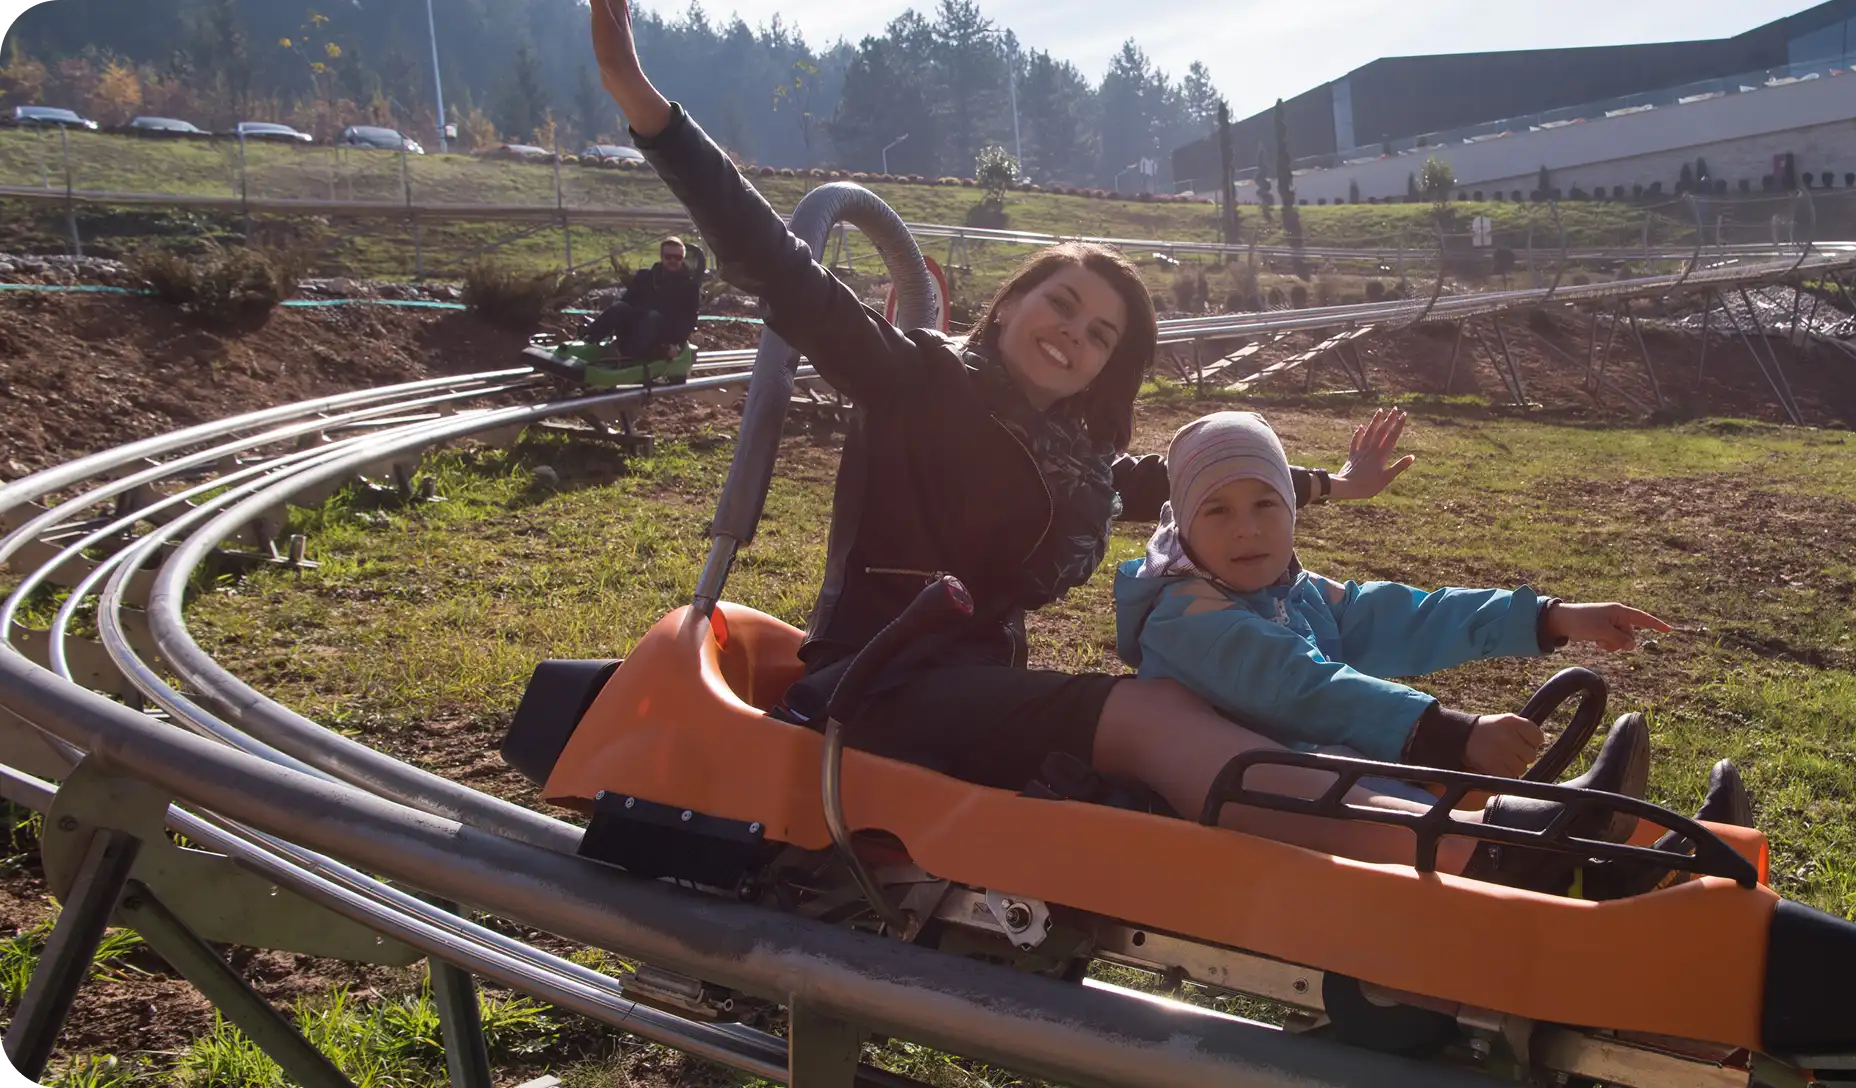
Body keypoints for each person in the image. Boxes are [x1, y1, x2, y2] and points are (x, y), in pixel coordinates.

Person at [589, 0, 1655, 895]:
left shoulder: (1067, 449)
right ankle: (1495, 857)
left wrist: (1331, 484)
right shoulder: (915, 380)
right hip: (882, 689)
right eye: (1062, 304)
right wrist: (650, 112)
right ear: (1008, 306)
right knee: (1154, 710)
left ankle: (1491, 825)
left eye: (1102, 333)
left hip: (967, 682)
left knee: (1202, 703)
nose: (1076, 335)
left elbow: (1172, 489)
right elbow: (787, 277)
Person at [1112, 412, 1750, 855]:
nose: (1246, 530)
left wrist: (1547, 617)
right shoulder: (1187, 616)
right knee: (1440, 815)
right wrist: (1449, 731)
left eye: (1266, 506)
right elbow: (1302, 687)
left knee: (1428, 791)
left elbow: (1404, 615)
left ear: (1292, 510)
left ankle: (1667, 855)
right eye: (1217, 511)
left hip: (1334, 775)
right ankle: (1582, 856)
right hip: (1271, 801)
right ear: (1184, 527)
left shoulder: (1288, 589)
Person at [582, 236, 702, 362]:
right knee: (620, 307)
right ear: (662, 257)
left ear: (682, 259)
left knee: (653, 316)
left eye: (677, 257)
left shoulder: (689, 287)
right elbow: (628, 299)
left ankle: (630, 355)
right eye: (668, 256)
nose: (673, 260)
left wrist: (675, 342)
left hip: (663, 331)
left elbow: (689, 319)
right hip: (638, 321)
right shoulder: (646, 276)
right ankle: (589, 339)